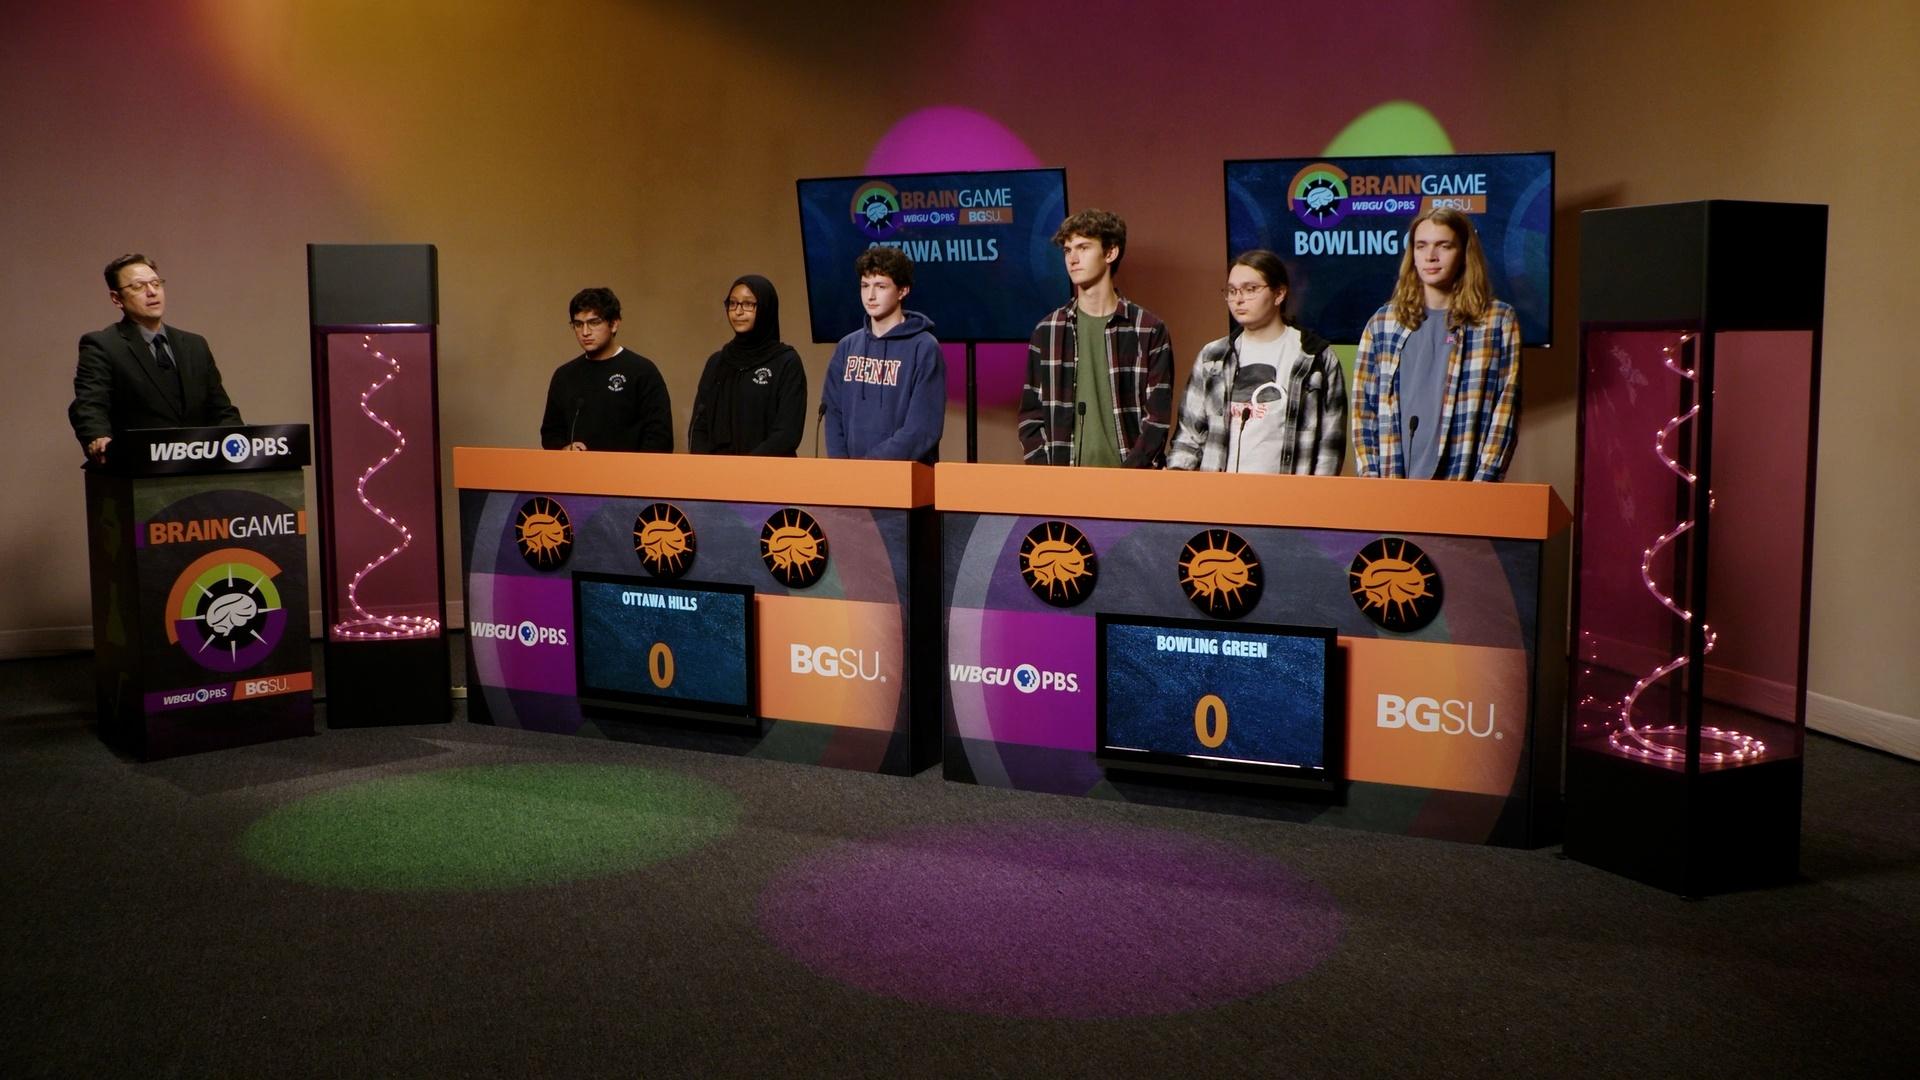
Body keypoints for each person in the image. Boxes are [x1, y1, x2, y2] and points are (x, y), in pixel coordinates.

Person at [1352, 207, 1520, 481]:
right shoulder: (1382, 323)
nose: (1431, 256)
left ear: (1464, 253)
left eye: (1444, 246)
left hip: (1466, 485)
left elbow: (1506, 407)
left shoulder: (1497, 320)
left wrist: (1485, 481)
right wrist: (1372, 481)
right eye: (1421, 246)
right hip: (1392, 485)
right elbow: (1364, 410)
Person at [1168, 250, 1347, 474]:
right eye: (1232, 291)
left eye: (1250, 289)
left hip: (1290, 501)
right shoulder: (1213, 356)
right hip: (1219, 500)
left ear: (1279, 293)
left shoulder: (1316, 358)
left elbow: (1330, 446)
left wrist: (1314, 501)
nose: (1238, 299)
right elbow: (1189, 435)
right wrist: (1178, 479)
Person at [1018, 208, 1172, 467]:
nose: (1072, 259)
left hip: (1131, 486)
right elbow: (1031, 416)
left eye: (1083, 247)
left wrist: (1129, 478)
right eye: (1068, 250)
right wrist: (1045, 474)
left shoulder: (1148, 330)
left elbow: (1157, 419)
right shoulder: (1048, 330)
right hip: (1062, 485)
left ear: (1111, 252)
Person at [69, 254, 241, 464]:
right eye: (138, 286)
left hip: (200, 466)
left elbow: (221, 410)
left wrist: (241, 444)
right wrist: (97, 436)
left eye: (156, 283)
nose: (151, 292)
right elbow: (90, 404)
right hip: (140, 467)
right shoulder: (103, 345)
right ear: (116, 298)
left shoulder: (195, 345)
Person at [822, 247, 944, 463]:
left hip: (904, 482)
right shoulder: (847, 346)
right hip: (850, 482)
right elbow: (833, 413)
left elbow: (922, 430)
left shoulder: (924, 348)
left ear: (902, 290)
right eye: (865, 286)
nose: (870, 295)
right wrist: (842, 468)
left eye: (880, 286)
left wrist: (870, 468)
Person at [539, 287, 672, 452]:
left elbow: (660, 437)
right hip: (577, 474)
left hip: (629, 474)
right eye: (578, 324)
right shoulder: (564, 375)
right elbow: (550, 433)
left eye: (594, 323)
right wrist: (564, 448)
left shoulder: (642, 371)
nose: (585, 332)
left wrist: (635, 470)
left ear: (614, 324)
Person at [688, 275, 807, 456]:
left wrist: (746, 469)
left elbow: (787, 434)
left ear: (766, 308)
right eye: (733, 303)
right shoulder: (717, 362)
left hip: (768, 474)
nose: (738, 311)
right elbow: (699, 425)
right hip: (716, 475)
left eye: (748, 304)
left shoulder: (786, 362)